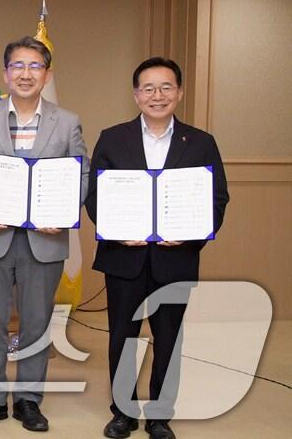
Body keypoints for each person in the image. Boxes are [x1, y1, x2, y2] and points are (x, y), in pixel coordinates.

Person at [86, 57, 229, 439]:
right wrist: (116, 231)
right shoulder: (113, 138)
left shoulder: (200, 143)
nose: (157, 95)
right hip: (124, 257)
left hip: (175, 259)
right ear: (136, 95)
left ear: (179, 93)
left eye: (166, 87)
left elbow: (217, 199)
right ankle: (123, 412)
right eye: (148, 88)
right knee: (122, 338)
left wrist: (191, 234)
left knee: (168, 338)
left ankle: (160, 416)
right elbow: (95, 195)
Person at [0, 36, 87, 433]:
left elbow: (81, 174)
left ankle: (30, 400)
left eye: (35, 66)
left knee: (36, 323)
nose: (26, 73)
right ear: (5, 73)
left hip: (44, 239)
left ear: (47, 74)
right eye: (18, 65)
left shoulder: (67, 121)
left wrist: (62, 213)